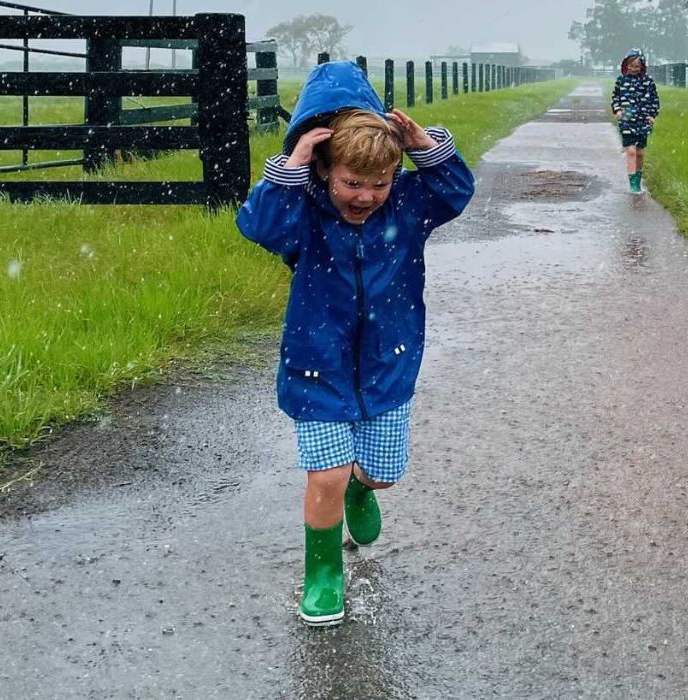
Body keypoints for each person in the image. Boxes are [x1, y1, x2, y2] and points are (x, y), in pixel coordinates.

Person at [236, 60, 475, 626]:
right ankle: (321, 575)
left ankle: (360, 490)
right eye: (351, 182)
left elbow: (456, 192)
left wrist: (427, 147)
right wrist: (291, 166)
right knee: (325, 472)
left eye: (379, 183)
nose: (366, 196)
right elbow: (260, 225)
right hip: (316, 364)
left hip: (388, 363)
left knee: (381, 471)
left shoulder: (409, 206)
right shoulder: (303, 212)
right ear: (323, 170)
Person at [611, 48, 660, 194]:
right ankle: (632, 184)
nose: (633, 69)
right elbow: (615, 98)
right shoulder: (621, 81)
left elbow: (654, 100)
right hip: (627, 120)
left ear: (642, 67)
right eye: (631, 66)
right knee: (631, 151)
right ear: (626, 65)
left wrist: (652, 115)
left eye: (637, 67)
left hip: (643, 121)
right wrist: (618, 110)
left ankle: (638, 179)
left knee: (639, 153)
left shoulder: (648, 82)